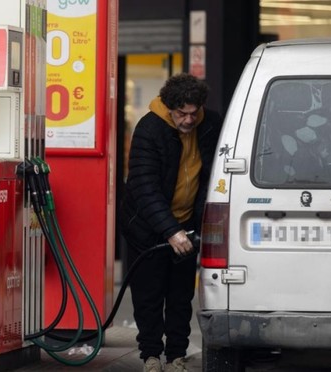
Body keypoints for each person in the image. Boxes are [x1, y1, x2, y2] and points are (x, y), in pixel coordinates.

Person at [119, 73, 222, 372]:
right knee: (149, 295)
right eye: (182, 114)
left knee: (180, 295)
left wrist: (196, 223)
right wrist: (170, 230)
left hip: (187, 221)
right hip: (147, 227)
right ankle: (150, 356)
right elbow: (144, 186)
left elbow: (211, 176)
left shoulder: (210, 123)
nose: (189, 120)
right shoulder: (150, 128)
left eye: (194, 113)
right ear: (169, 108)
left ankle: (176, 356)